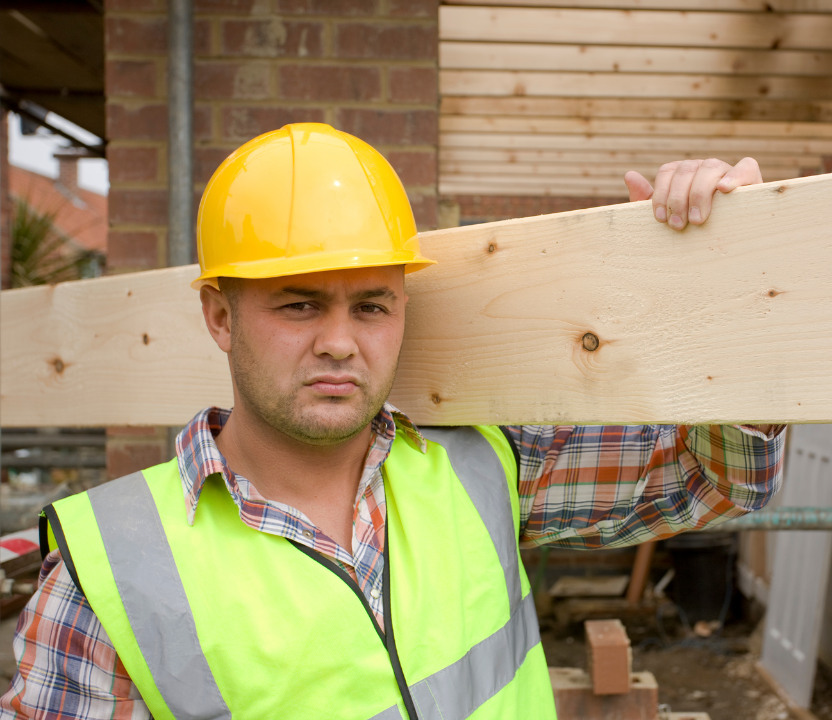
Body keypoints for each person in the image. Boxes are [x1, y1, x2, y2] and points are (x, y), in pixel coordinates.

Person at [1, 124, 784, 720]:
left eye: (371, 305)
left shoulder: (482, 469)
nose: (340, 341)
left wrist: (722, 287)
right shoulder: (108, 577)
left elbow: (715, 479)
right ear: (219, 316)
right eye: (299, 304)